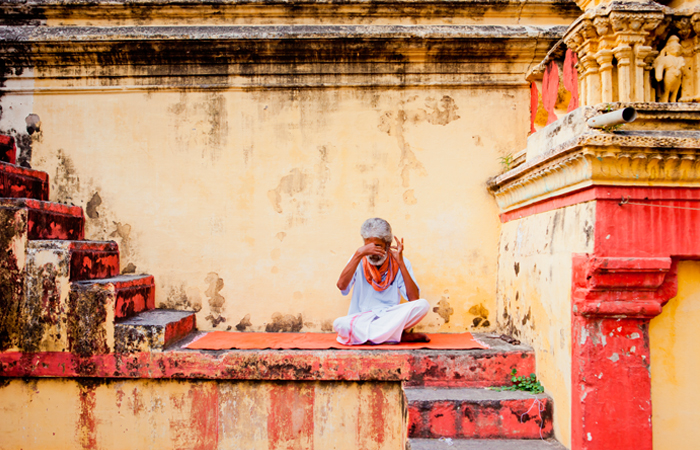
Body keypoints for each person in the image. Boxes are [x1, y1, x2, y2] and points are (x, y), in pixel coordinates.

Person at [333, 218, 430, 345]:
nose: (372, 252)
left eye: (377, 246)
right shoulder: (358, 258)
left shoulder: (401, 262)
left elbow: (414, 299)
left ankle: (373, 336)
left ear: (388, 244)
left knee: (423, 305)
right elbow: (341, 286)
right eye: (369, 246)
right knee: (340, 324)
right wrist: (358, 254)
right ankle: (394, 335)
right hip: (361, 318)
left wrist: (400, 263)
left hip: (388, 317)